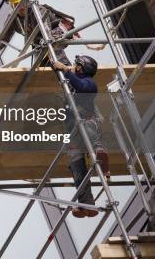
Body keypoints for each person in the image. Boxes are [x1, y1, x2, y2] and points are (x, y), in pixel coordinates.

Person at [52, 54, 110, 218]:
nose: (73, 67)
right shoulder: (70, 82)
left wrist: (65, 70)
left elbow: (82, 86)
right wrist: (57, 65)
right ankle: (86, 203)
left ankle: (100, 154)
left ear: (81, 68)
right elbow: (58, 65)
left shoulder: (89, 84)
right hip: (72, 131)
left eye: (76, 65)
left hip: (86, 122)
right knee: (77, 169)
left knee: (90, 134)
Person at [0, 0, 80, 65]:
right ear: (11, 4)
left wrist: (44, 42)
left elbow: (47, 32)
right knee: (40, 64)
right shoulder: (12, 19)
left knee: (51, 46)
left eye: (21, 2)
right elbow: (4, 39)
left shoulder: (37, 11)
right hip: (39, 42)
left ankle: (65, 70)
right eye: (16, 4)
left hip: (57, 31)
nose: (20, 7)